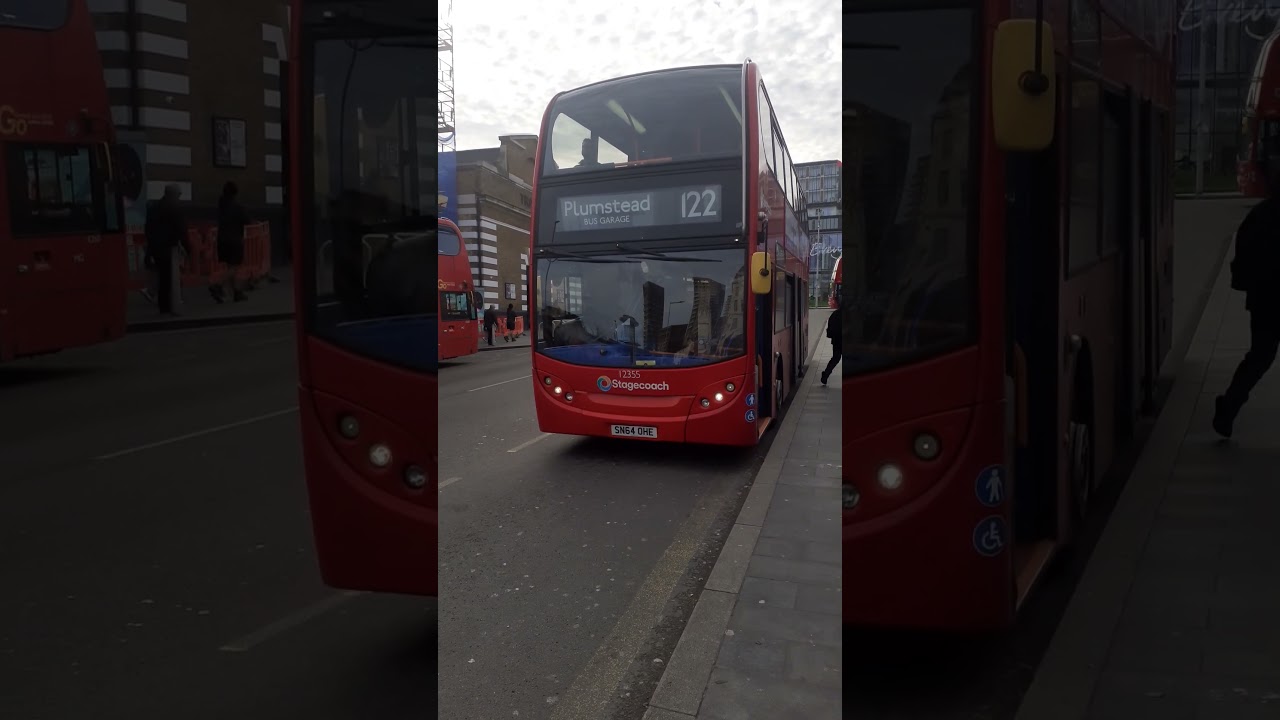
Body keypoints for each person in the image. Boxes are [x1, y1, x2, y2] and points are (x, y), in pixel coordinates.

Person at [1214, 166, 1280, 437]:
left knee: (1260, 357)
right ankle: (1227, 407)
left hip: (1264, 300)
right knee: (1260, 357)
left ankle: (1228, 407)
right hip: (1268, 297)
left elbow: (1242, 257)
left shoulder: (1259, 215)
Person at [144, 184, 189, 316]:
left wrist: (150, 248)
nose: (179, 198)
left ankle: (163, 306)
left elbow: (148, 229)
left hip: (156, 247)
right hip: (170, 247)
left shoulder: (153, 208)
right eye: (179, 195)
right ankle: (173, 305)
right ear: (173, 195)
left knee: (163, 277)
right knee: (170, 278)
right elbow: (182, 230)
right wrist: (188, 248)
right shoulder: (175, 208)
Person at [212, 181, 249, 303]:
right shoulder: (237, 207)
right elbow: (246, 220)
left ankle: (236, 293)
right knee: (234, 267)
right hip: (234, 240)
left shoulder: (221, 205)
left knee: (230, 266)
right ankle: (218, 285)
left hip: (222, 240)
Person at [820, 305, 842, 385]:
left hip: (836, 340)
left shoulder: (835, 314)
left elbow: (830, 327)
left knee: (835, 358)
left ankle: (826, 374)